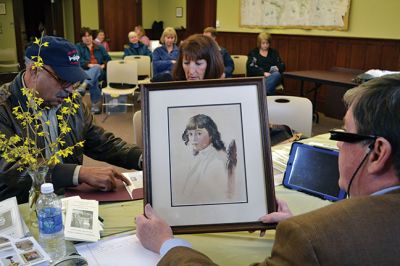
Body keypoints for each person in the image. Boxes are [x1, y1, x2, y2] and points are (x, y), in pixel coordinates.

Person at [136, 74, 400, 265]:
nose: (339, 146)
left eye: (345, 134)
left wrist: (167, 244)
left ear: (377, 153)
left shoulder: (312, 238)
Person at [0, 36, 142, 204]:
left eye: (73, 82)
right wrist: (78, 173)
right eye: (63, 80)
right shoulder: (4, 107)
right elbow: (10, 169)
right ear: (34, 71)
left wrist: (140, 158)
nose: (69, 90)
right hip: (20, 204)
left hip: (67, 199)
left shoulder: (71, 102)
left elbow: (101, 141)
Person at [173, 114, 237, 205]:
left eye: (199, 133)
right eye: (190, 134)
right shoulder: (200, 157)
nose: (194, 139)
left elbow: (214, 196)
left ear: (211, 134)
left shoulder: (216, 161)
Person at [75, 27, 111, 114]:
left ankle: (85, 85)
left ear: (92, 36)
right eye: (85, 36)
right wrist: (89, 65)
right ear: (81, 38)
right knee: (93, 78)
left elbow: (108, 59)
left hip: (100, 72)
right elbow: (77, 60)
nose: (87, 38)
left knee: (96, 69)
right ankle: (95, 104)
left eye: (89, 35)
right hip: (84, 71)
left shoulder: (100, 47)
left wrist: (103, 65)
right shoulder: (78, 47)